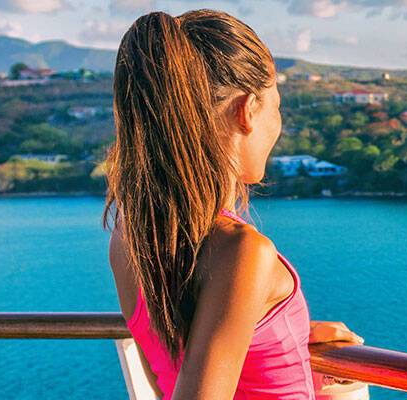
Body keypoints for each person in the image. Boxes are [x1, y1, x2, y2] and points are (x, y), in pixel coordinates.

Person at [103, 10, 360, 400]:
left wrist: (290, 349)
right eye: (277, 108)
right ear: (247, 110)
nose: (279, 126)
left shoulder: (130, 239)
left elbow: (173, 376)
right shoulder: (243, 252)